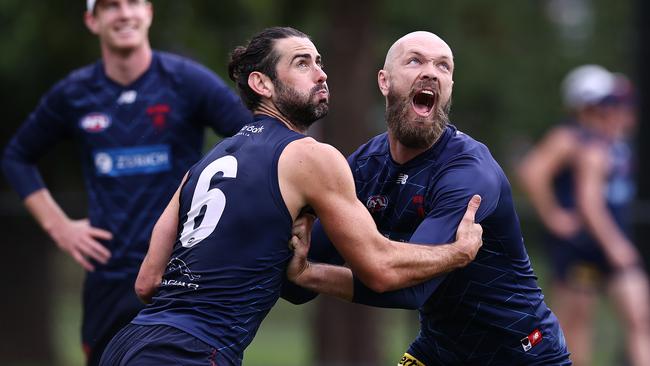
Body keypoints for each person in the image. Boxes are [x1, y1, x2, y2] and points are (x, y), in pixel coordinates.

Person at [98, 26, 484, 366]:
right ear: (261, 84)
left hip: (129, 342)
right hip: (189, 352)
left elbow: (147, 283)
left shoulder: (202, 165)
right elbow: (379, 268)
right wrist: (457, 252)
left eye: (319, 61)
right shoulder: (310, 155)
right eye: (302, 64)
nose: (321, 74)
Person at [283, 31, 572, 365]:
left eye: (443, 66)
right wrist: (288, 263)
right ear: (384, 81)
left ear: (449, 88)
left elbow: (408, 289)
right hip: (439, 350)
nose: (431, 72)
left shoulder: (469, 172)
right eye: (415, 60)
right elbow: (297, 279)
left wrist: (308, 273)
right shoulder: (366, 165)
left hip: (520, 353)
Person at [0, 0, 253, 364]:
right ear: (92, 20)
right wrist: (59, 227)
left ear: (148, 12)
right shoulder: (75, 93)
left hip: (177, 274)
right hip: (109, 275)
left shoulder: (187, 81)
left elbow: (252, 141)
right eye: (110, 6)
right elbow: (17, 156)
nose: (124, 13)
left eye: (133, 2)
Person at [518, 65, 650, 366]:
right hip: (580, 245)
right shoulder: (570, 137)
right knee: (575, 322)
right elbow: (533, 172)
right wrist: (553, 215)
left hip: (608, 240)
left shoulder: (608, 139)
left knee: (636, 315)